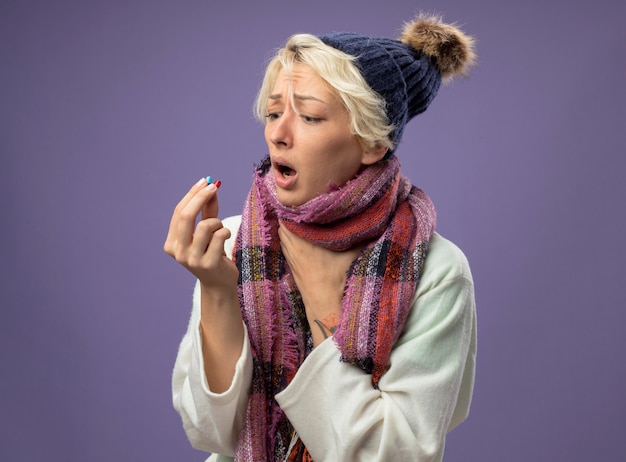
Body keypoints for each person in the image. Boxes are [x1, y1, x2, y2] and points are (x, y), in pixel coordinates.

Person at [164, 12, 477, 462]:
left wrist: (325, 303)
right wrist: (217, 289)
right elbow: (213, 433)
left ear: (372, 142)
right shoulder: (232, 243)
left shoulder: (436, 270)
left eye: (308, 116)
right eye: (273, 113)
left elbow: (394, 455)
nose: (277, 133)